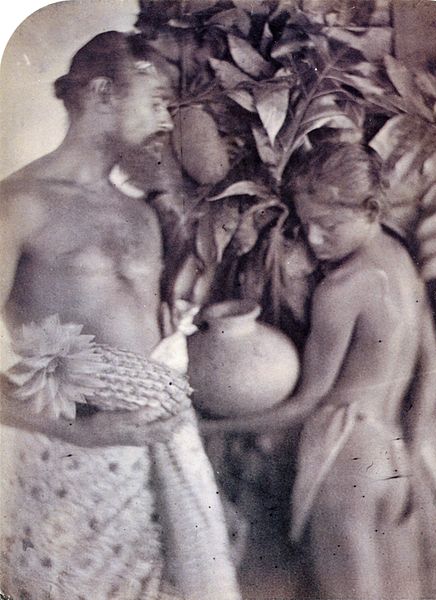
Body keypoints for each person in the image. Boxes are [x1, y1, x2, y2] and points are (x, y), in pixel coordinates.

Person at [0, 31, 239, 600]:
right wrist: (84, 430)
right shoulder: (18, 205)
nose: (165, 115)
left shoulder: (142, 215)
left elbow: (159, 358)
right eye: (152, 96)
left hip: (152, 461)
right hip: (67, 458)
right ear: (104, 92)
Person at [201, 142, 436, 598]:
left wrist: (216, 428)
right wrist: (409, 451)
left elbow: (309, 402)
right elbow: (429, 368)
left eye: (328, 225)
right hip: (391, 455)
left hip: (344, 458)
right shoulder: (401, 258)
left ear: (370, 209)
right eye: (305, 224)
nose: (314, 240)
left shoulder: (341, 289)